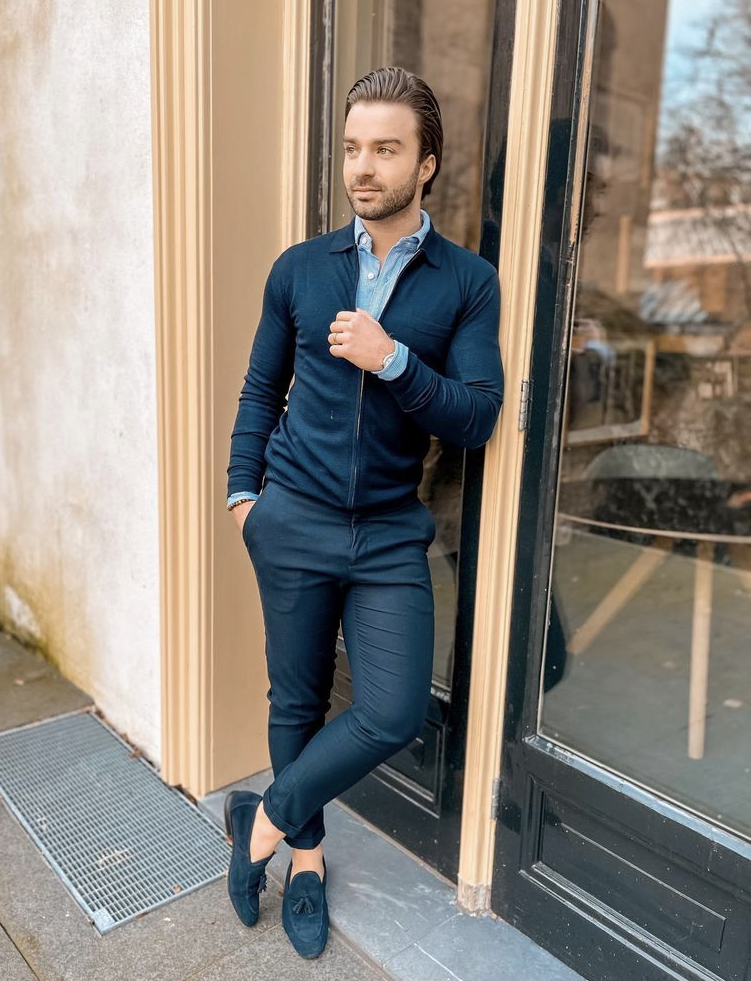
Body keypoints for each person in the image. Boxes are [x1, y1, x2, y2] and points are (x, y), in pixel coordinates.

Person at [223, 66, 503, 959]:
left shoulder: (466, 281)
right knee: (297, 696)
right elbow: (262, 386)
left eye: (385, 149)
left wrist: (393, 361)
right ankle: (305, 863)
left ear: (426, 164)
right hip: (291, 515)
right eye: (352, 148)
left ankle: (264, 817)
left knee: (390, 709)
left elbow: (477, 412)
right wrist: (242, 495)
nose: (362, 167)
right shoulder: (301, 268)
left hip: (389, 531)